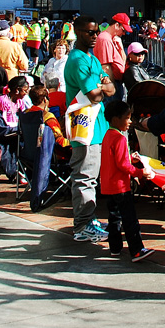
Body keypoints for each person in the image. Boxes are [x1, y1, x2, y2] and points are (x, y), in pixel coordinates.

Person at [65, 15, 114, 243]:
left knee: (92, 177)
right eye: (89, 32)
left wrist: (102, 86)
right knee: (85, 176)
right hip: (84, 128)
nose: (94, 36)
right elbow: (95, 95)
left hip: (98, 125)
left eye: (96, 32)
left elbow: (111, 88)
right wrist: (101, 84)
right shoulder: (78, 60)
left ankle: (89, 218)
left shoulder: (91, 58)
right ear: (78, 32)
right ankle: (82, 225)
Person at [99, 99, 154, 262]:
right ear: (116, 119)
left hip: (108, 186)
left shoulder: (108, 136)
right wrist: (139, 173)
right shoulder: (120, 138)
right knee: (129, 219)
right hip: (121, 187)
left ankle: (115, 248)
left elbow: (116, 160)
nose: (130, 121)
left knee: (114, 218)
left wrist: (130, 159)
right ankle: (136, 250)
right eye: (127, 118)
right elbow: (123, 165)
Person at [95, 13, 130, 102]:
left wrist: (121, 47)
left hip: (117, 82)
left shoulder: (112, 38)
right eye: (123, 30)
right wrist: (112, 86)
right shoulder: (105, 39)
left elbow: (123, 61)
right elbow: (106, 67)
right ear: (117, 25)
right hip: (112, 82)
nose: (124, 33)